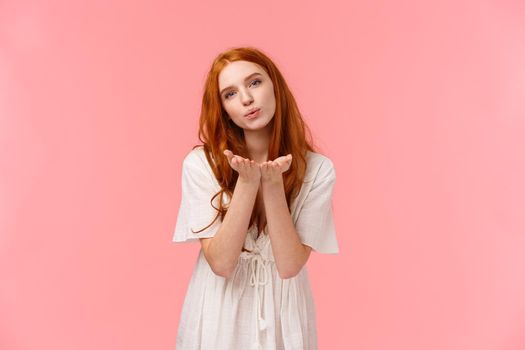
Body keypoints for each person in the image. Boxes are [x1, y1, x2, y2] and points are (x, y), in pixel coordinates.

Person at [172, 46, 339, 350]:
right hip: (218, 311)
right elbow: (221, 263)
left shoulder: (318, 170)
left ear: (275, 86)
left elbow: (289, 266)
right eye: (230, 94)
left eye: (254, 83)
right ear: (223, 108)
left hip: (284, 315)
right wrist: (248, 184)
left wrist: (273, 187)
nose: (246, 98)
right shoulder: (200, 165)